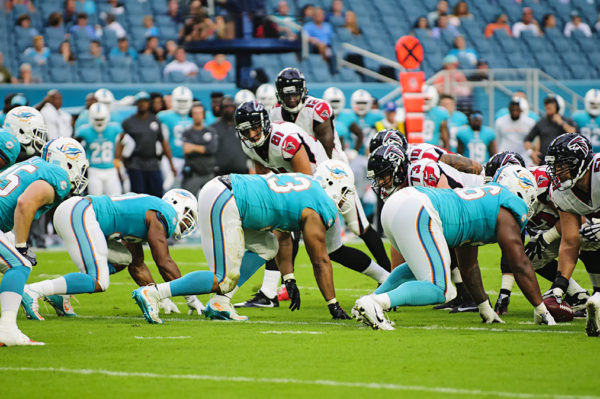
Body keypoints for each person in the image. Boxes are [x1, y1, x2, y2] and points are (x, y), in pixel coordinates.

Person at [354, 151, 555, 330]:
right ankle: (378, 302)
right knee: (437, 288)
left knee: (416, 268)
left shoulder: (483, 202)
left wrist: (485, 308)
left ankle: (368, 301)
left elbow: (468, 265)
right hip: (420, 208)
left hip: (400, 205)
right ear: (522, 192)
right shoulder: (507, 205)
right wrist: (542, 310)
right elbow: (519, 264)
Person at [132, 164, 354, 324]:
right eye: (344, 193)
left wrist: (289, 279)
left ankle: (220, 303)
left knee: (269, 246)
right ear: (332, 185)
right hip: (228, 198)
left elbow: (283, 235)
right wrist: (333, 303)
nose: (344, 200)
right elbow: (320, 260)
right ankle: (154, 293)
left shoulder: (306, 187)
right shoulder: (320, 203)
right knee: (223, 277)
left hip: (228, 193)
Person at [233, 101, 389, 308]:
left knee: (357, 228)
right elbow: (265, 179)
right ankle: (270, 292)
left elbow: (306, 182)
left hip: (329, 182)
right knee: (328, 248)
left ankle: (388, 278)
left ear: (265, 123)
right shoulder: (249, 145)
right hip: (302, 185)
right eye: (246, 130)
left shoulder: (283, 140)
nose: (252, 134)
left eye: (255, 127)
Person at [270, 68, 391, 274]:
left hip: (333, 173)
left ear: (303, 90)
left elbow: (324, 152)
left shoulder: (318, 109)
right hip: (301, 176)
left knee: (358, 225)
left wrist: (313, 182)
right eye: (287, 94)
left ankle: (390, 273)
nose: (291, 98)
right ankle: (282, 285)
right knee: (290, 231)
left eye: (295, 93)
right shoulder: (274, 113)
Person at [21, 189, 203, 320]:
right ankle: (34, 289)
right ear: (176, 205)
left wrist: (160, 296)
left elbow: (137, 265)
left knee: (124, 258)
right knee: (99, 280)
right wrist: (190, 296)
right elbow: (163, 261)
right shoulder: (164, 213)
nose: (187, 222)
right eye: (188, 216)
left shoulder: (147, 209)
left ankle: (61, 295)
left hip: (77, 212)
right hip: (81, 213)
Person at [0, 137, 88, 346]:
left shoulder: (32, 164)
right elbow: (25, 202)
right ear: (68, 162)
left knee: (12, 261)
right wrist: (21, 246)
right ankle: (7, 329)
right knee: (19, 265)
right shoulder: (57, 175)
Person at [541, 134, 600, 336]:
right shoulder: (561, 191)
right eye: (554, 165)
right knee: (586, 235)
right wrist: (560, 285)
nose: (557, 171)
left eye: (562, 165)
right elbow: (569, 240)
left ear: (580, 161)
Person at [117, 91, 176, 197]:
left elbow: (164, 143)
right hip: (135, 163)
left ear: (149, 103)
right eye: (140, 102)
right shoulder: (128, 122)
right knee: (138, 195)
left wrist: (171, 164)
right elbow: (120, 142)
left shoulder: (155, 120)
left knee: (157, 194)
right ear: (136, 104)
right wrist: (118, 161)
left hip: (153, 163)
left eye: (145, 101)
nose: (143, 104)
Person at [74, 103, 122, 196]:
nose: (99, 122)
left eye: (101, 119)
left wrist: (118, 158)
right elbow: (75, 146)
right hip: (94, 170)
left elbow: (123, 141)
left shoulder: (114, 129)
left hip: (111, 169)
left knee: (116, 198)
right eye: (97, 119)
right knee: (95, 200)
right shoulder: (84, 131)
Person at [157, 86, 193, 190]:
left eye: (184, 101)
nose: (182, 104)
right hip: (171, 158)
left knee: (188, 188)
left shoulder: (195, 114)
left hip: (190, 159)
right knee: (168, 188)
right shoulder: (163, 116)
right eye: (180, 101)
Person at [524, 96, 576, 165]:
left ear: (557, 108)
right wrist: (531, 153)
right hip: (544, 161)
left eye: (550, 107)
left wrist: (561, 123)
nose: (548, 109)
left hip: (562, 161)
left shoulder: (566, 121)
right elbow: (527, 140)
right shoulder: (541, 122)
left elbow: (574, 134)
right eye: (547, 107)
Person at [181, 102, 218, 195]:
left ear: (203, 115)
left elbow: (212, 149)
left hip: (209, 173)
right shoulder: (187, 132)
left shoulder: (210, 131)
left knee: (211, 201)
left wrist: (193, 147)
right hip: (193, 174)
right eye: (195, 113)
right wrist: (204, 148)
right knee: (188, 200)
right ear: (191, 115)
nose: (197, 116)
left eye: (200, 113)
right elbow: (186, 149)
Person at [210, 96, 249, 175]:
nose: (229, 109)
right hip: (220, 173)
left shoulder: (242, 127)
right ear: (221, 109)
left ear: (235, 108)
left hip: (242, 172)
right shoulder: (213, 128)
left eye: (231, 106)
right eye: (226, 106)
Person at [495, 97, 536, 162]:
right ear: (509, 110)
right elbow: (498, 140)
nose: (514, 112)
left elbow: (533, 141)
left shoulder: (529, 122)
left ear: (520, 110)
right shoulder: (500, 121)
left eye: (517, 109)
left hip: (524, 157)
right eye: (512, 110)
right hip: (505, 156)